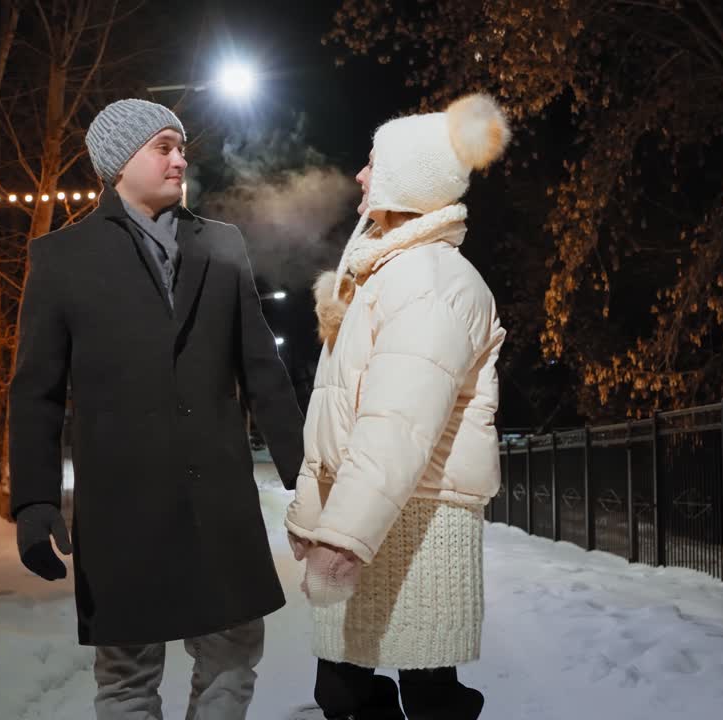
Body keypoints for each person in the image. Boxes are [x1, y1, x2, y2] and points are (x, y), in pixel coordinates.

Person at [7, 98, 305, 720]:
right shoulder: (60, 259)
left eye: (181, 147)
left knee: (233, 653)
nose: (179, 159)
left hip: (219, 502)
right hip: (122, 506)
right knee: (126, 676)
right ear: (119, 162)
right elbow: (35, 391)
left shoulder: (222, 245)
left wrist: (309, 476)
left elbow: (264, 376)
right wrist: (33, 502)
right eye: (163, 147)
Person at [285, 93, 511, 720]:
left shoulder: (434, 283)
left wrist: (341, 540)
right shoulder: (385, 272)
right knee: (347, 691)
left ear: (408, 180)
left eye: (372, 163)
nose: (360, 175)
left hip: (418, 524)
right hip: (374, 513)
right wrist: (316, 509)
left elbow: (397, 428)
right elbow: (338, 410)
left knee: (423, 697)